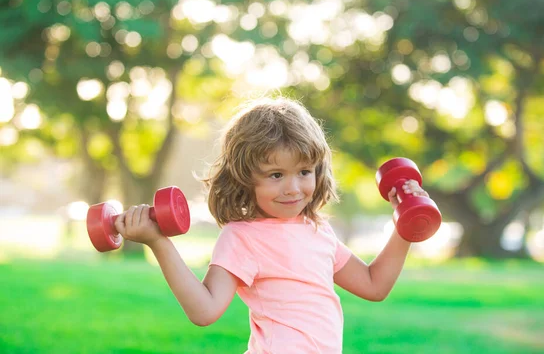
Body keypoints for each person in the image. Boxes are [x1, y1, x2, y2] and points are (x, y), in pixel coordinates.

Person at [114, 97, 430, 353]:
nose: (293, 188)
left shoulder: (317, 230)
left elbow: (374, 285)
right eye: (276, 175)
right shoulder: (242, 237)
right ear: (244, 178)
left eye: (304, 171)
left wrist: (405, 222)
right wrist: (159, 242)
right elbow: (204, 310)